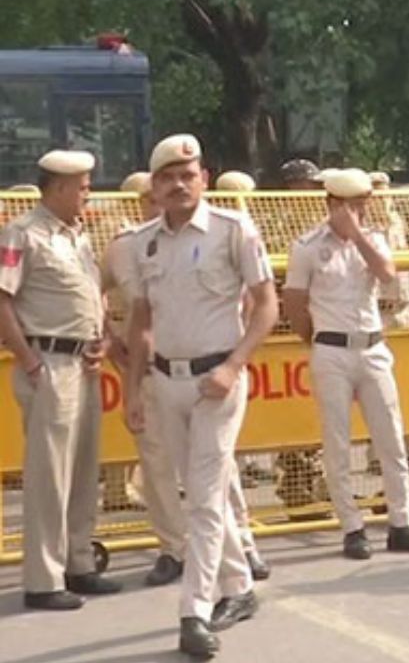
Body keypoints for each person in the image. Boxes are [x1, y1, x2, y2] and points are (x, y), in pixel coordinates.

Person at [124, 134, 277, 657]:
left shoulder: (233, 231)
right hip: (167, 381)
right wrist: (133, 390)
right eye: (167, 177)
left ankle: (193, 612)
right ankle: (239, 586)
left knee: (205, 498)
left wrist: (235, 366)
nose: (179, 184)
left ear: (204, 179)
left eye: (187, 174)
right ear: (155, 187)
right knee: (197, 488)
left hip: (219, 381)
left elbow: (265, 307)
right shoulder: (143, 243)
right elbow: (141, 321)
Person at [282, 168, 409, 560]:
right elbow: (295, 304)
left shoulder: (373, 240)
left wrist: (355, 235)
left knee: (390, 435)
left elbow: (387, 275)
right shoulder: (306, 246)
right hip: (332, 349)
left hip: (372, 347)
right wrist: (316, 340)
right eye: (351, 206)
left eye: (362, 205)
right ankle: (352, 527)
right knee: (336, 442)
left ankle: (400, 522)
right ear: (332, 204)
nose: (359, 212)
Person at [0, 149, 121, 611]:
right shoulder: (23, 234)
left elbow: (94, 297)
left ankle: (79, 561)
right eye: (83, 185)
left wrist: (104, 340)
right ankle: (44, 578)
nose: (88, 192)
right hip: (48, 363)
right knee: (49, 474)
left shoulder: (79, 238)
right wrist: (30, 361)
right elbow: (3, 301)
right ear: (57, 188)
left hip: (84, 363)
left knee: (84, 467)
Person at [103, 172, 187, 587]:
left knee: (212, 464)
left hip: (191, 365)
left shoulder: (196, 238)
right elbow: (88, 291)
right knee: (155, 464)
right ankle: (174, 548)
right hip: (146, 365)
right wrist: (106, 336)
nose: (151, 203)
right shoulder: (123, 245)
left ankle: (239, 543)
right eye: (144, 198)